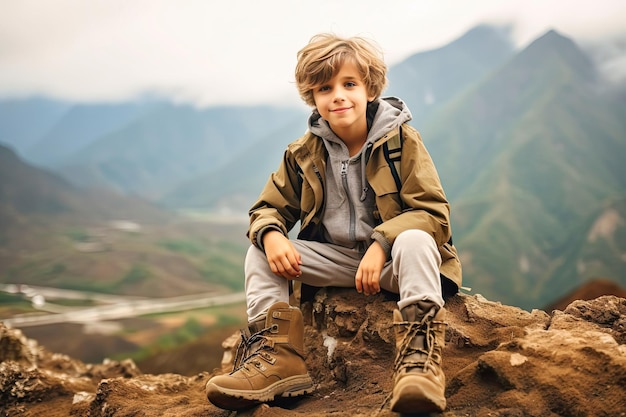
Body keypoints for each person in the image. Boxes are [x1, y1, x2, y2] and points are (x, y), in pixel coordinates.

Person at [206, 33, 462, 413]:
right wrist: (273, 234)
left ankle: (419, 365)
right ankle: (279, 360)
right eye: (325, 88)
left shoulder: (401, 142)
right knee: (260, 250)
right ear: (313, 96)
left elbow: (433, 212)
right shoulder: (303, 153)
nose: (338, 96)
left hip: (395, 264)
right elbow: (267, 208)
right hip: (337, 262)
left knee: (415, 239)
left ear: (369, 88)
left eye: (349, 84)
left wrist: (381, 244)